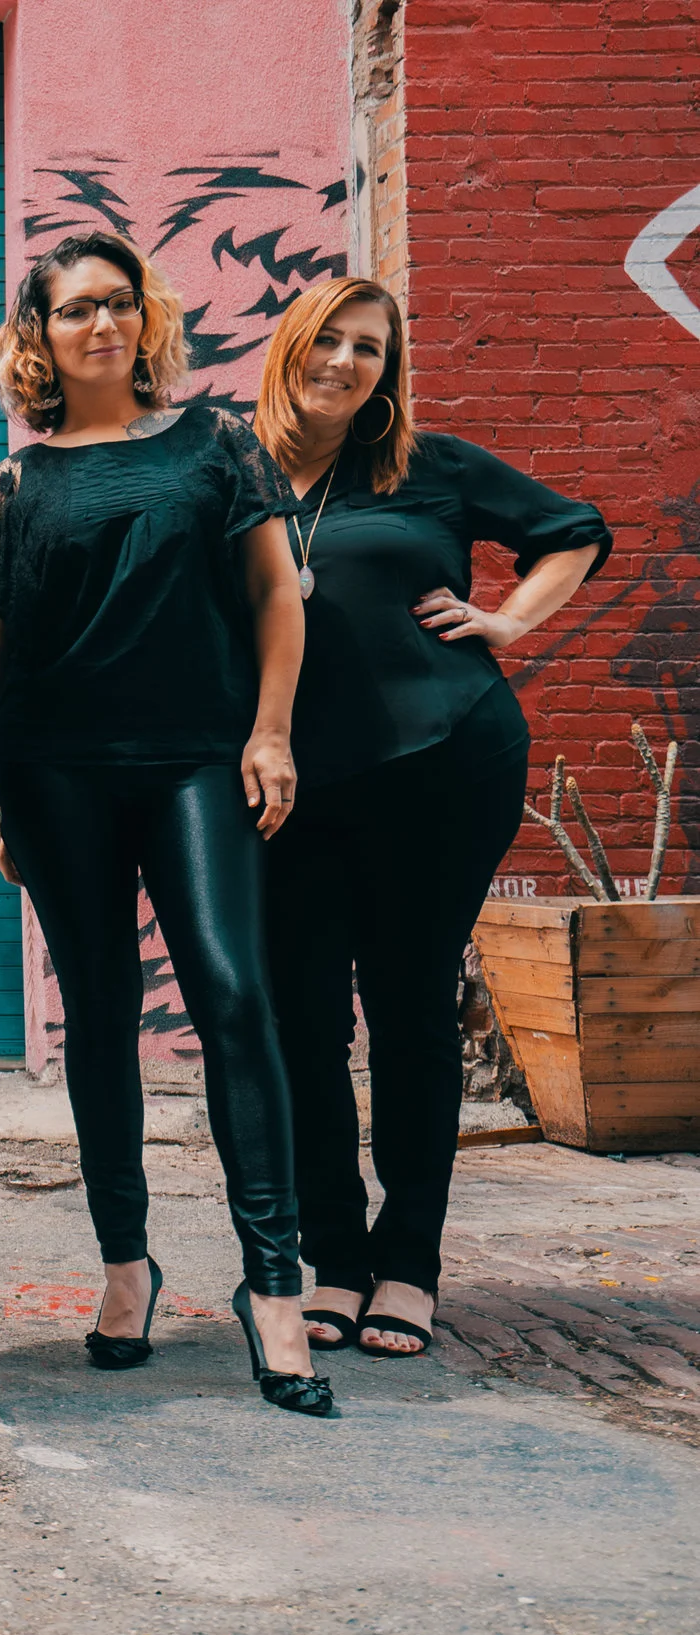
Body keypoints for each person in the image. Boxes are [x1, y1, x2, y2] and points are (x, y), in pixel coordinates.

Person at [0, 230, 331, 1416]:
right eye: (77, 308)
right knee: (97, 1014)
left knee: (233, 992)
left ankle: (272, 1284)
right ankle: (125, 1264)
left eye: (119, 305)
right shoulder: (19, 482)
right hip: (55, 768)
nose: (103, 325)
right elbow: (3, 653)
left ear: (144, 318)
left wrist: (269, 729)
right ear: (41, 332)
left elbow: (276, 592)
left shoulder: (214, 443)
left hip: (195, 757)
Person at [252, 277, 609, 1361]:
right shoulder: (228, 472)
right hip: (284, 788)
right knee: (300, 1022)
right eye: (330, 340)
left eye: (370, 348)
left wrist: (505, 620)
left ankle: (406, 1262)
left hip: (442, 767)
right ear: (291, 348)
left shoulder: (427, 466)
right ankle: (334, 1259)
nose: (347, 362)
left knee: (406, 1008)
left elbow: (572, 531)